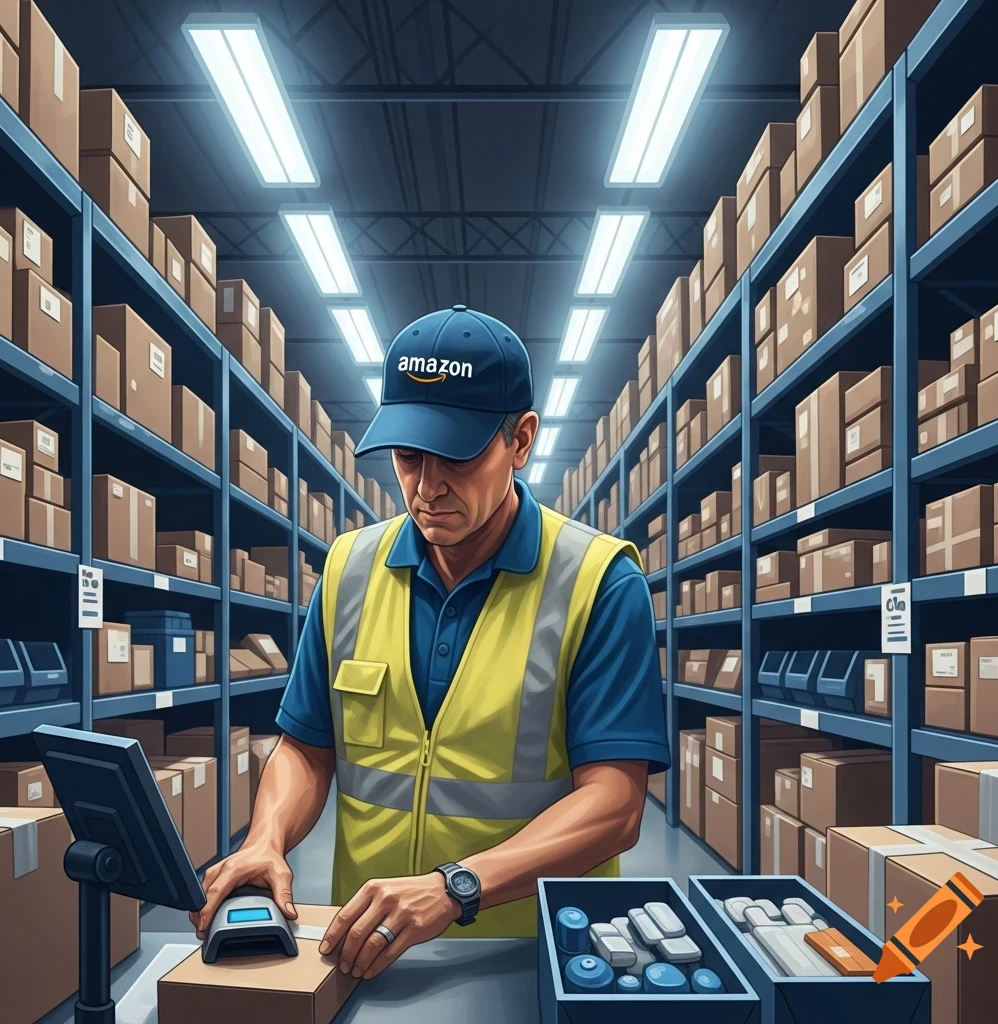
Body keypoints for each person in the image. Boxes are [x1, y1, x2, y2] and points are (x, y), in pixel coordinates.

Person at [191, 304, 668, 983]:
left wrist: (456, 888)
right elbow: (306, 748)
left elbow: (616, 805)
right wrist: (266, 838)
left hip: (534, 957)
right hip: (366, 949)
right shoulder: (349, 569)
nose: (427, 485)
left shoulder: (598, 582)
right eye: (409, 456)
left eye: (458, 455)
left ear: (522, 439)